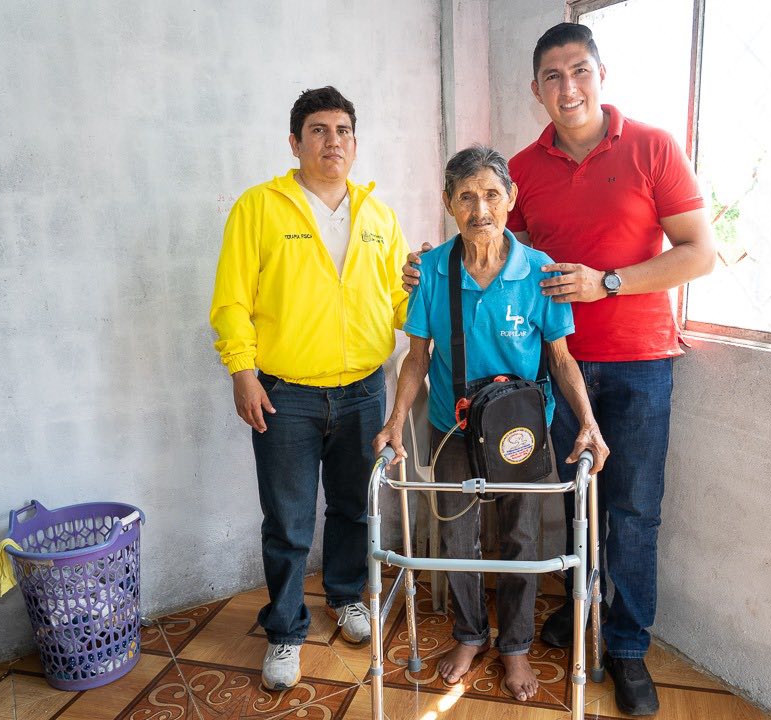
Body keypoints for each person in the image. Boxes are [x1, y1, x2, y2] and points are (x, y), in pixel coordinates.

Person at [403, 24, 715, 716]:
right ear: (536, 88)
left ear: (601, 74)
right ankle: (571, 616)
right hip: (542, 379)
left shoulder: (653, 148)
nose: (568, 87)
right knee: (564, 511)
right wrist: (428, 266)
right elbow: (490, 252)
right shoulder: (521, 169)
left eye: (580, 70)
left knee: (630, 510)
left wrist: (608, 283)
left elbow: (700, 252)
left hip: (635, 361)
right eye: (552, 75)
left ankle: (625, 648)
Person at [373, 145, 609, 702]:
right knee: (458, 536)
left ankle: (517, 646)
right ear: (448, 203)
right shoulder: (432, 271)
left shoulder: (540, 272)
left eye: (491, 195)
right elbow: (417, 357)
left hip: (521, 433)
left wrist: (588, 422)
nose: (480, 209)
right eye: (466, 197)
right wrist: (395, 420)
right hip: (453, 427)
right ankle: (470, 634)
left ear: (511, 199)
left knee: (521, 537)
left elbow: (561, 357)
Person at [210, 86, 410, 692]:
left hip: (363, 391)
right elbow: (231, 300)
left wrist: (424, 285)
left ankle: (346, 596)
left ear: (355, 142)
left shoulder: (379, 217)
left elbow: (398, 303)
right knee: (288, 520)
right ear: (295, 143)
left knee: (353, 507)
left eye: (343, 130)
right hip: (285, 394)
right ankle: (285, 631)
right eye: (319, 130)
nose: (333, 141)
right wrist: (242, 371)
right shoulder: (259, 207)